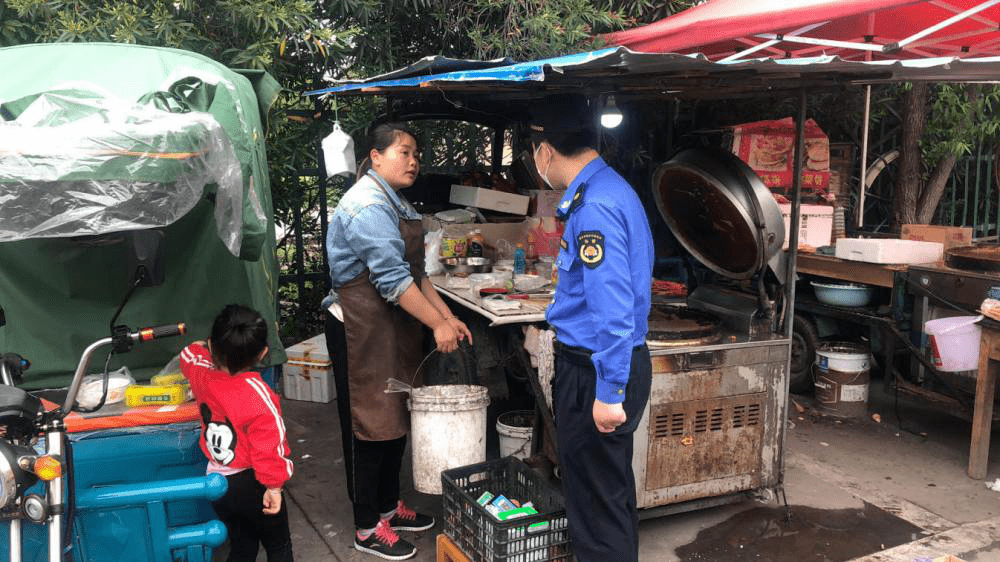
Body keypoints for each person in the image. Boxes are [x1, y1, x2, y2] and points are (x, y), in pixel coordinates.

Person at [325, 122, 472, 560]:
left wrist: (447, 317)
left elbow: (417, 276)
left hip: (390, 325)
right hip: (360, 329)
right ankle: (367, 527)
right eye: (404, 152)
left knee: (393, 418)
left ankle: (388, 507)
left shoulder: (397, 201)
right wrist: (437, 325)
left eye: (416, 154)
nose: (414, 161)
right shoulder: (367, 205)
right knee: (367, 425)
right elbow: (392, 281)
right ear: (375, 156)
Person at [530, 94, 654, 562]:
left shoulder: (594, 206)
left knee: (595, 503)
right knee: (609, 492)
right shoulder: (611, 188)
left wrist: (609, 389)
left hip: (595, 370)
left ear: (545, 150)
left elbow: (614, 309)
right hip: (607, 363)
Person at [180, 304, 294, 562]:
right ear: (263, 353)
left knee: (242, 544)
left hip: (217, 484)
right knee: (278, 545)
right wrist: (274, 487)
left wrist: (202, 346)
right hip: (251, 483)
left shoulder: (201, 375)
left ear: (212, 345)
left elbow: (188, 355)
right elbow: (271, 444)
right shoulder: (258, 393)